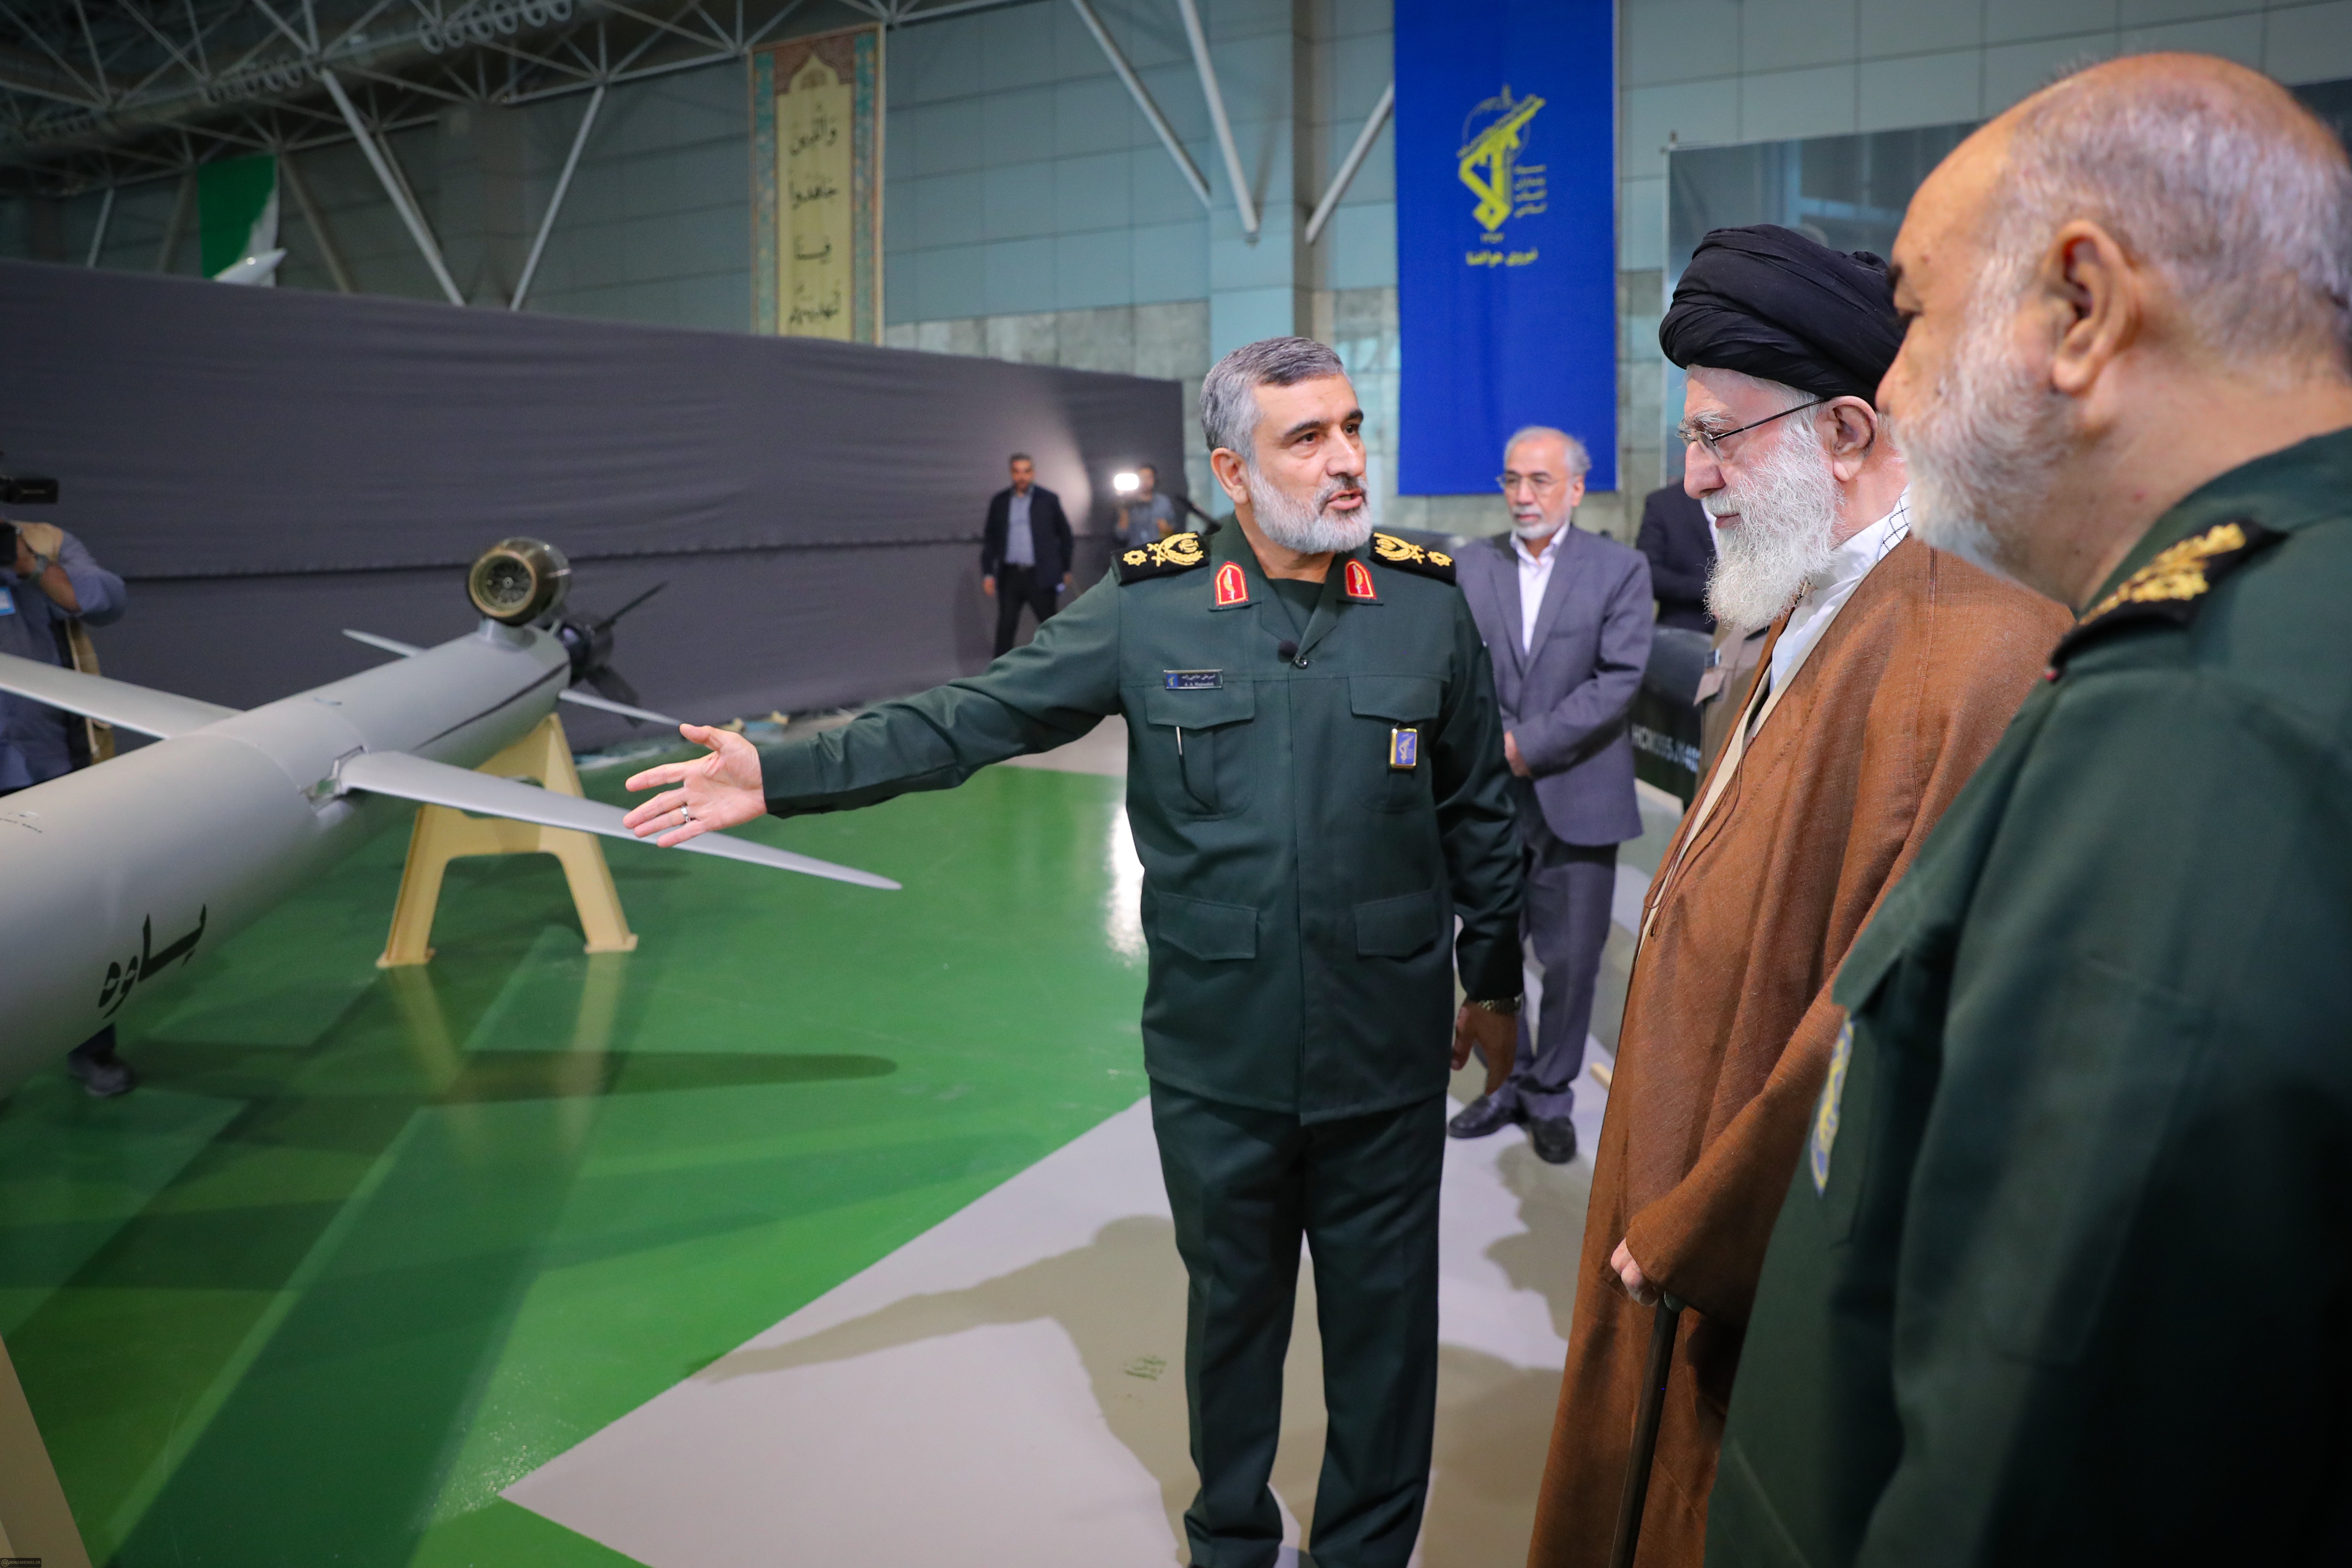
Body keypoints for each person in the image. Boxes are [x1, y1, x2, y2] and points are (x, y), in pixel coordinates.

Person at [624, 337, 1525, 1568]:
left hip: (1384, 1057)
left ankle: (1365, 1551)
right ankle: (1230, 1539)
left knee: (1386, 1334)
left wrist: (1494, 984)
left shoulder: (1426, 608)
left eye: (1352, 427)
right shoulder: (1150, 609)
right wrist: (782, 772)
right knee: (1232, 1321)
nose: (1349, 460)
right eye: (1307, 438)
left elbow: (1481, 814)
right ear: (1234, 466)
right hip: (1223, 1062)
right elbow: (970, 720)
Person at [1712, 56, 2352, 1568]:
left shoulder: (2205, 717)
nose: (1893, 386)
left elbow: (2056, 1442)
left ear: (2081, 309)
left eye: (1917, 316)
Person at [1524, 225, 2071, 1568]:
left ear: (1845, 430)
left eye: (1721, 436)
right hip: (1672, 1181)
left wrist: (1701, 1228)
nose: (1693, 477)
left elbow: (1885, 1016)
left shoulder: (1970, 655)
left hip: (1747, 1264)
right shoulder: (1805, 602)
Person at [1449, 426, 1651, 1165]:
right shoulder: (1470, 566)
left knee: (1571, 960)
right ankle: (1505, 1079)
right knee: (1494, 949)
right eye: (1511, 481)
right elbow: (1455, 669)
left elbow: (1619, 679)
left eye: (1539, 481)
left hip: (1579, 792)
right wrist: (1493, 741)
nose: (1523, 495)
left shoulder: (1619, 569)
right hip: (1489, 798)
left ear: (1574, 488)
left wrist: (1522, 744)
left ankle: (1551, 1091)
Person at [0, 514, 134, 1098]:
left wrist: (30, 566)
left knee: (75, 913)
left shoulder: (43, 541)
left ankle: (90, 1048)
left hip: (52, 760)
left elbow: (105, 601)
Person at [980, 453, 1074, 657]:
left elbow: (1065, 535)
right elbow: (991, 539)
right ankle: (999, 675)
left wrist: (1066, 567)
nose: (1022, 477)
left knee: (1051, 625)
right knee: (1006, 625)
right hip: (1011, 574)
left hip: (1039, 574)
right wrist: (988, 572)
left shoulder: (1048, 500)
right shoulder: (1001, 501)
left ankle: (1061, 668)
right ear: (1011, 473)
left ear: (1033, 473)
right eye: (1017, 472)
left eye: (1026, 471)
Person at [1636, 482, 1716, 632]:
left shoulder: (1751, 497)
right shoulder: (1664, 504)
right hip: (1687, 630)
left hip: (1751, 631)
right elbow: (1648, 574)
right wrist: (1709, 592)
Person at [1115, 462, 1178, 548]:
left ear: (1155, 480)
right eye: (1142, 478)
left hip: (1159, 554)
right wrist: (1125, 511)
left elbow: (1172, 532)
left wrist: (1165, 530)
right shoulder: (1127, 503)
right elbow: (1121, 535)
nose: (1145, 481)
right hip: (1135, 555)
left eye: (1149, 477)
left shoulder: (1163, 502)